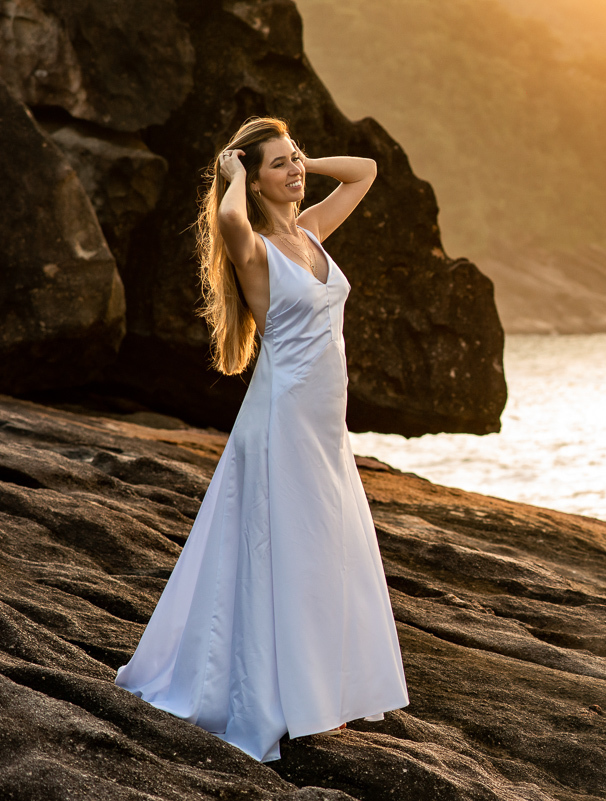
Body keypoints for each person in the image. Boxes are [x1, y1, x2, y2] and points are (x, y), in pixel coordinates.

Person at [116, 117, 409, 761]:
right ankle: (283, 698)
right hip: (281, 418)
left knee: (321, 548)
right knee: (284, 553)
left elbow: (366, 170)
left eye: (296, 160)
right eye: (283, 164)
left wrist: (300, 159)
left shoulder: (309, 234)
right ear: (254, 180)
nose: (297, 170)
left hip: (325, 423)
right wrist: (238, 174)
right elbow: (226, 219)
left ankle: (323, 691)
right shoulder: (253, 247)